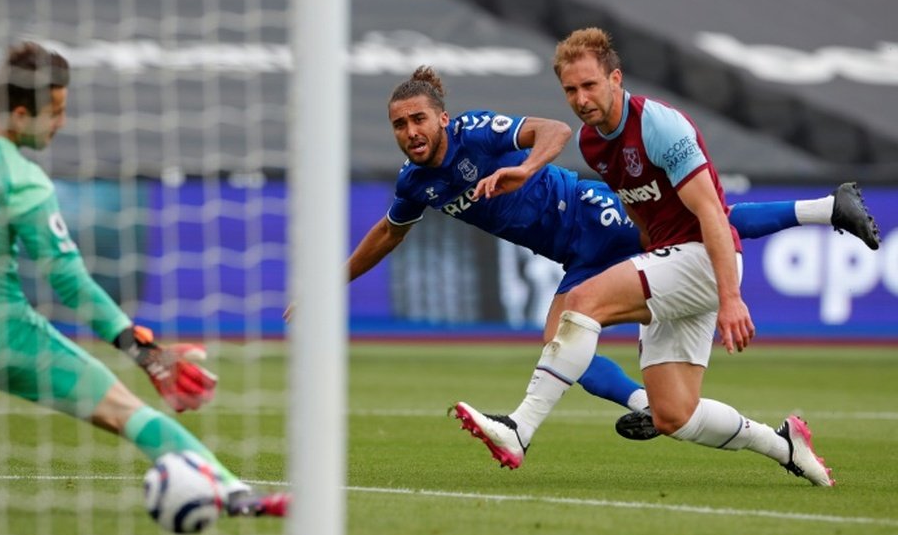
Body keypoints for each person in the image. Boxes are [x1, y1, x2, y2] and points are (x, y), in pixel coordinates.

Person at [351, 65, 879, 443]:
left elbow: (555, 130)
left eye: (419, 119)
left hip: (589, 214)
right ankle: (645, 405)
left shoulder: (477, 132)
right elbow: (387, 234)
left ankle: (826, 207)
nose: (411, 132)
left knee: (700, 222)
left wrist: (525, 168)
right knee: (559, 340)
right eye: (400, 125)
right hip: (573, 255)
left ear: (441, 118)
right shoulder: (416, 184)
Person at [0, 41, 289, 515]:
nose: (62, 123)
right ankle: (232, 493)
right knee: (125, 412)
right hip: (0, 333)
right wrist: (142, 352)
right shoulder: (24, 183)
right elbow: (69, 281)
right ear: (21, 115)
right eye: (55, 113)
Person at [452, 27, 837, 486]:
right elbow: (639, 207)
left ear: (616, 78)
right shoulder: (593, 142)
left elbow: (714, 212)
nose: (580, 98)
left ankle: (519, 429)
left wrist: (730, 298)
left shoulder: (659, 125)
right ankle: (784, 445)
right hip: (674, 262)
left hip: (703, 261)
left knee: (580, 304)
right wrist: (652, 252)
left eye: (590, 85)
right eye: (570, 89)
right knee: (675, 415)